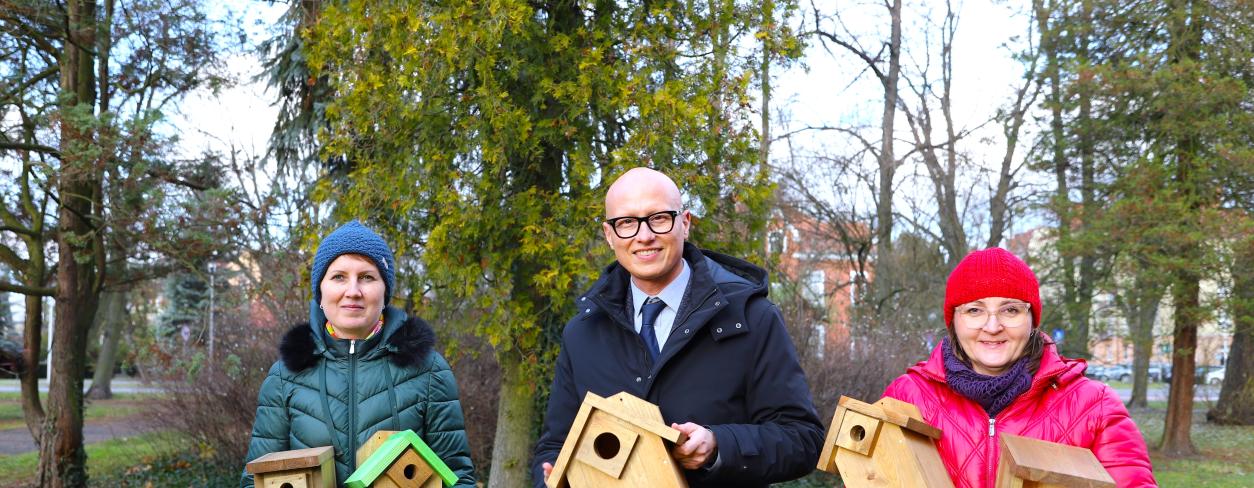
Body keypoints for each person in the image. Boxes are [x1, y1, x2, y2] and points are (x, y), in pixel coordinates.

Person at [531, 168, 824, 487]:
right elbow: (554, 447)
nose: (644, 236)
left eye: (658, 218)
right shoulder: (583, 332)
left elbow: (803, 439)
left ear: (684, 223)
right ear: (609, 234)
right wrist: (553, 480)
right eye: (627, 222)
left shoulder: (751, 318)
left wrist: (719, 445)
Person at [883, 248, 1156, 487]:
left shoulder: (1094, 406)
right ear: (954, 320)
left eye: (1010, 310)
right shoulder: (906, 397)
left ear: (1032, 319)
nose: (992, 327)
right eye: (974, 310)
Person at [242, 221, 475, 487]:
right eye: (339, 276)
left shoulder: (428, 369)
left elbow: (458, 479)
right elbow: (255, 479)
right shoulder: (285, 376)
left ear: (385, 291)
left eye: (367, 277)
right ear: (320, 292)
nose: (353, 291)